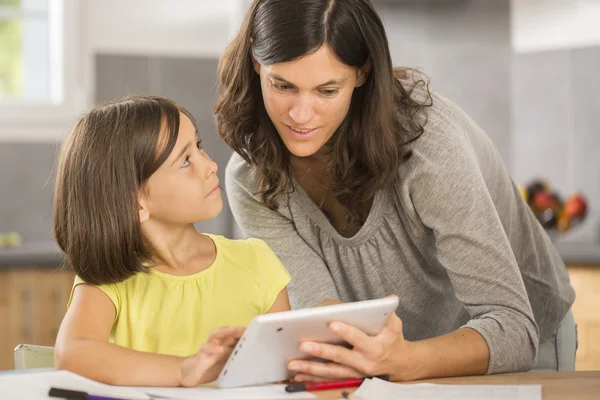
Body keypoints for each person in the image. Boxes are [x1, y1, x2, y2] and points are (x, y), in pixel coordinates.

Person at [215, 0, 576, 382]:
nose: (301, 115)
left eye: (327, 90)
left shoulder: (428, 146)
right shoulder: (252, 180)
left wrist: (405, 360)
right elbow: (328, 322)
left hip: (522, 337)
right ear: (256, 59)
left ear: (362, 73)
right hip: (394, 361)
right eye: (283, 86)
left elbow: (514, 329)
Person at [53, 95, 291, 386]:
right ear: (136, 202)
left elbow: (283, 374)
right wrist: (184, 369)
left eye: (199, 147)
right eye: (185, 161)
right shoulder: (108, 280)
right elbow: (71, 353)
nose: (210, 166)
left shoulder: (257, 262)